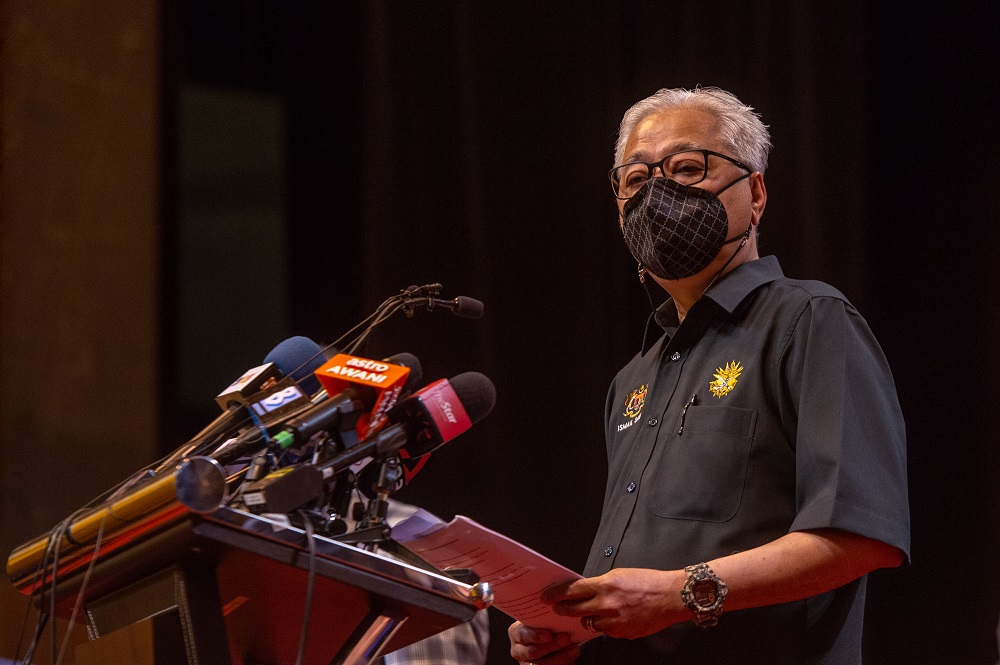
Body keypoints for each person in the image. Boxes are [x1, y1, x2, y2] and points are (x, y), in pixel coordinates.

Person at [508, 87, 909, 664]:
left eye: (687, 169)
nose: (659, 195)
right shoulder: (632, 377)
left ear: (757, 192)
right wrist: (569, 629)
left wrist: (677, 594)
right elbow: (631, 590)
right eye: (637, 180)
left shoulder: (809, 321)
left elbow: (861, 535)